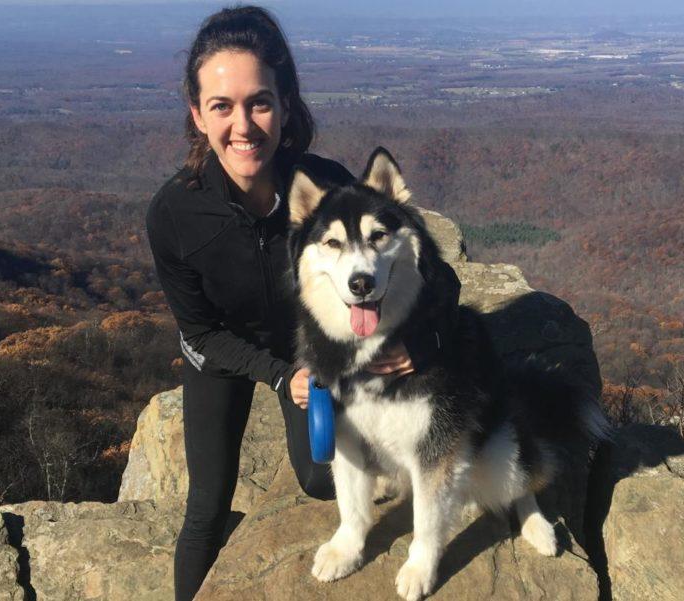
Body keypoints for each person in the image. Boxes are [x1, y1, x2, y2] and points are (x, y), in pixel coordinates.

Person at [145, 6, 459, 600]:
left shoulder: (324, 186)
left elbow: (438, 279)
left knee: (321, 477)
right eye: (221, 106)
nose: (244, 125)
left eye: (259, 102)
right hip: (224, 357)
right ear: (197, 115)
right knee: (207, 505)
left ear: (285, 106)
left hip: (311, 350)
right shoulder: (175, 214)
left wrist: (415, 344)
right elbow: (201, 331)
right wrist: (279, 373)